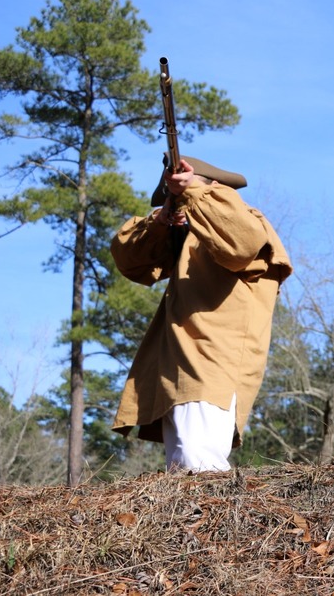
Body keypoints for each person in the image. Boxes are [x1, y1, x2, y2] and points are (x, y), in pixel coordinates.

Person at [110, 156, 292, 472]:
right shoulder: (188, 234)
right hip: (179, 367)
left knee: (199, 466)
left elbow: (241, 244)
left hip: (212, 364)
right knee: (184, 469)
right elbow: (128, 258)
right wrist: (162, 220)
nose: (180, 200)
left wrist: (194, 192)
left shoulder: (243, 219)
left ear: (213, 189)